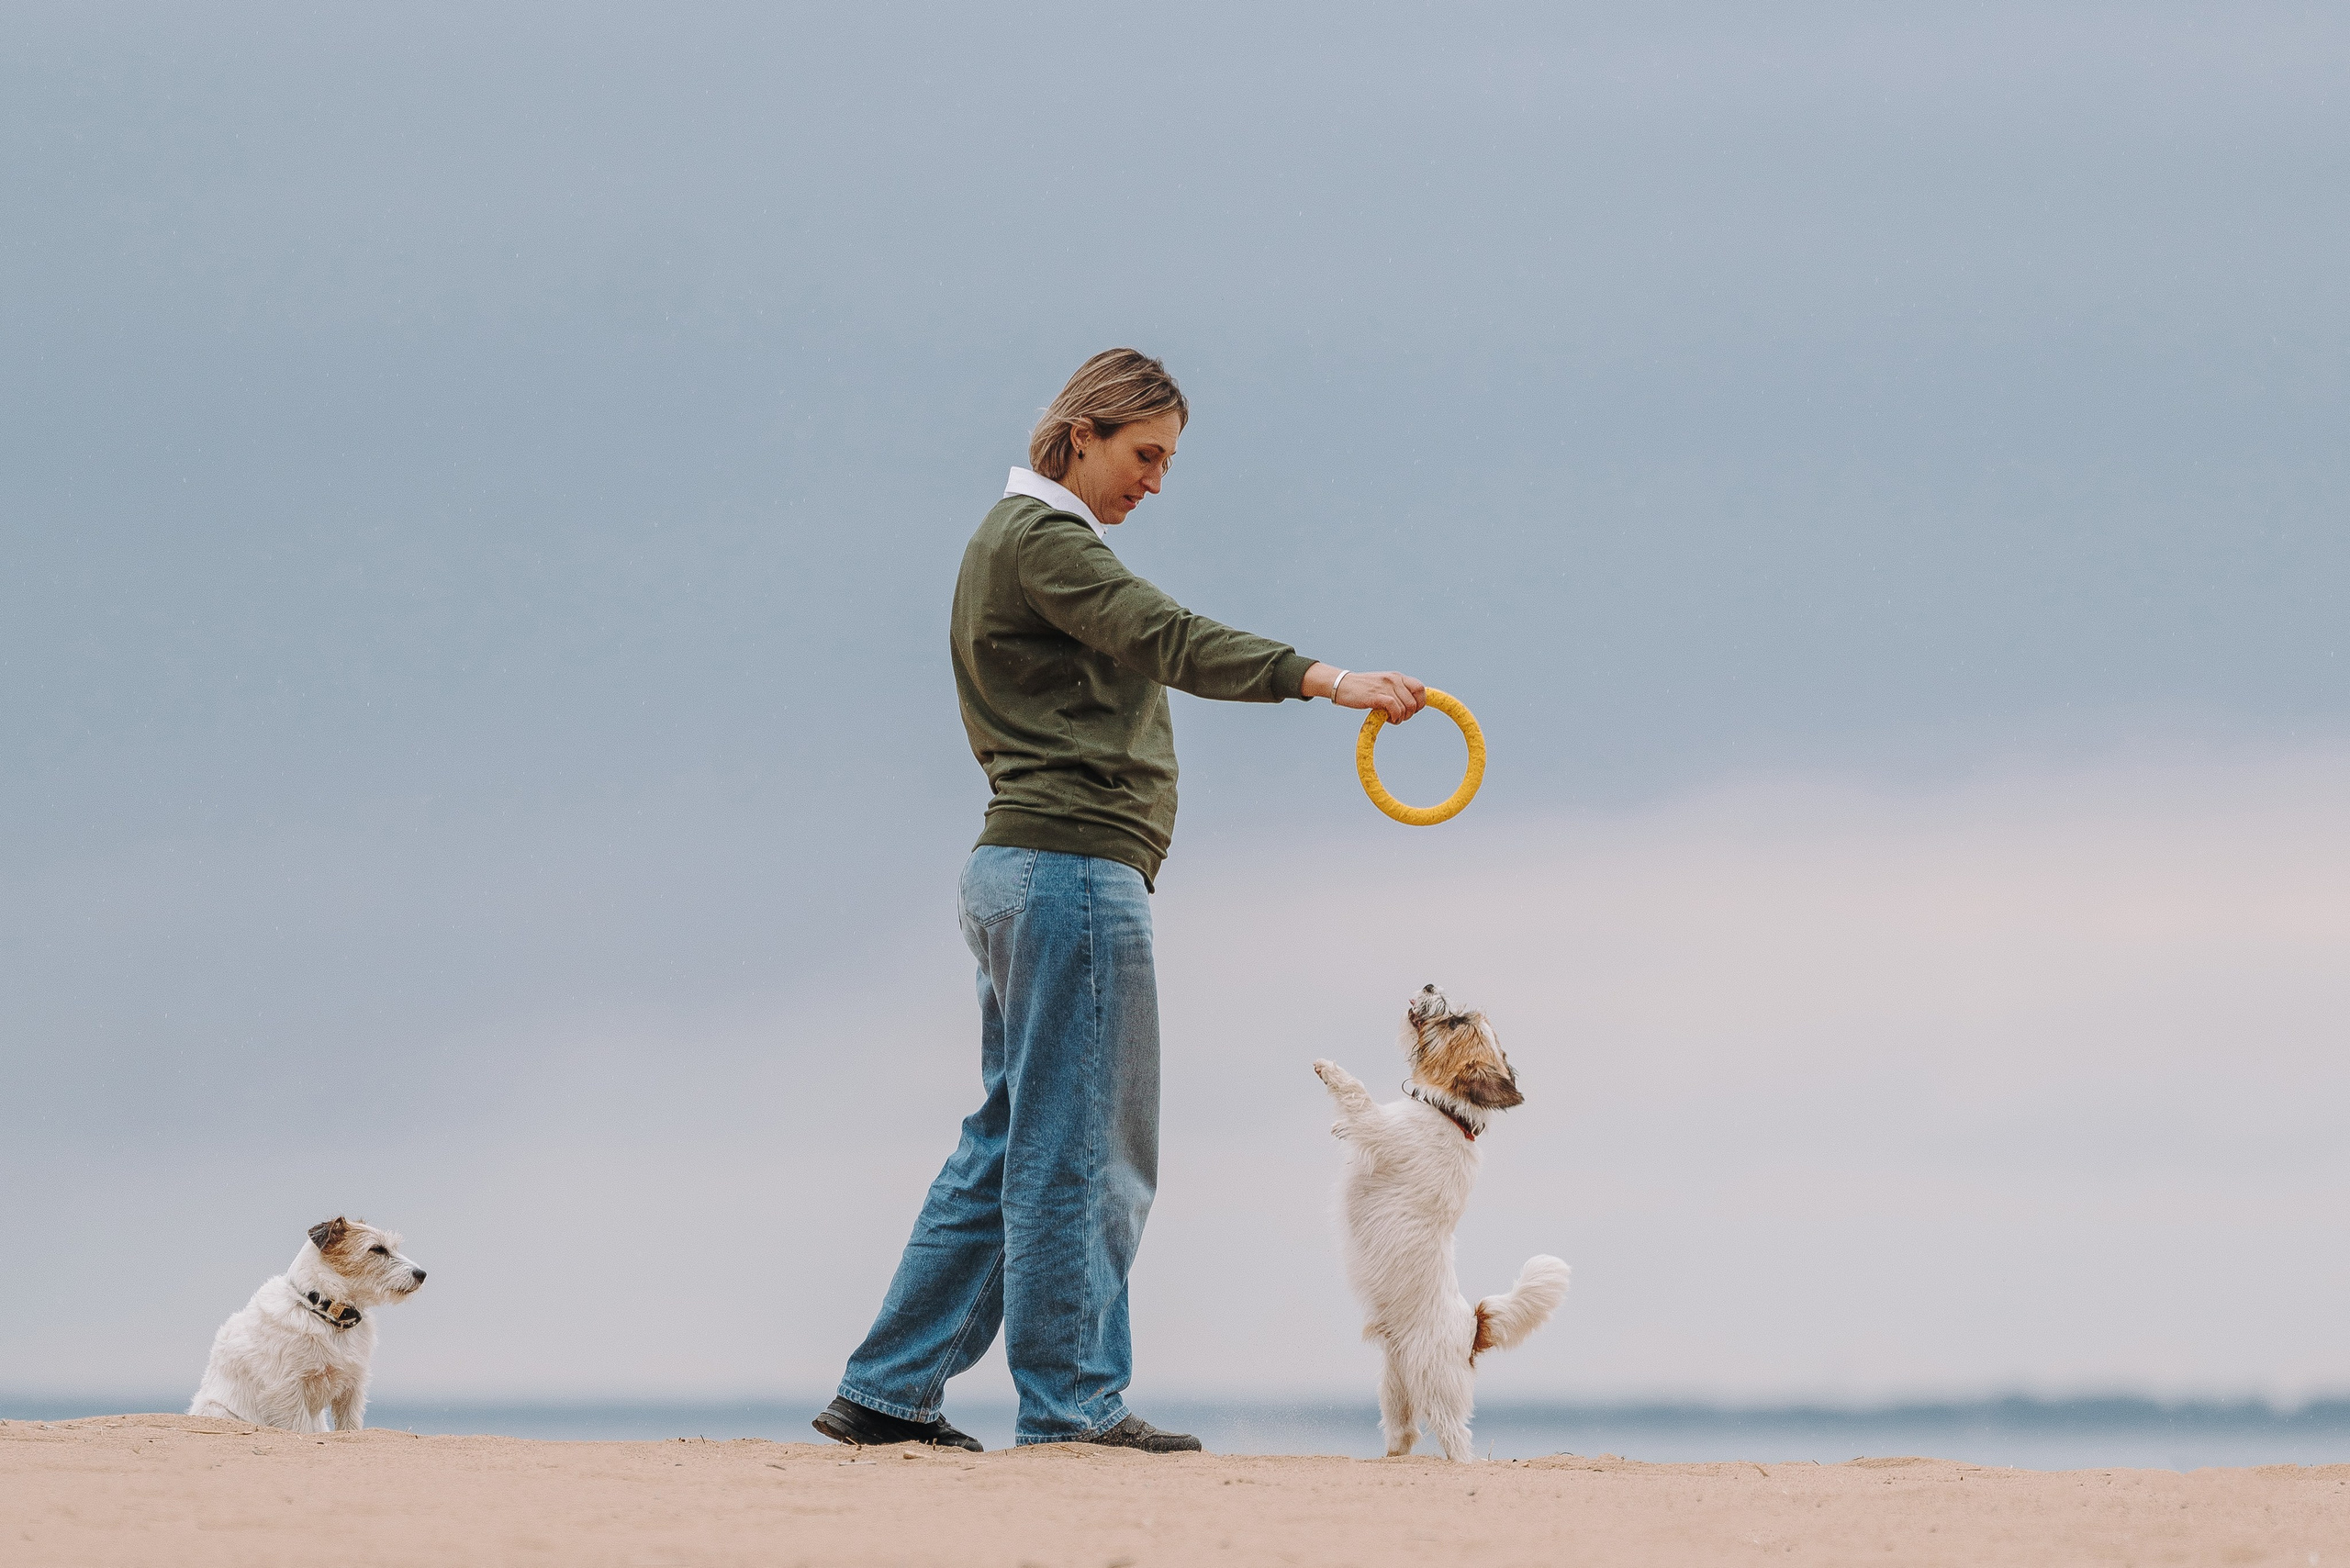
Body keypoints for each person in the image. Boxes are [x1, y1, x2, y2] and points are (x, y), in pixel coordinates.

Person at [813, 349, 1427, 1453]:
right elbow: (1171, 638)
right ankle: (1073, 1402)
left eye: (1166, 462)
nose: (1155, 481)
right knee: (1087, 1148)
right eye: (1145, 455)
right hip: (1070, 872)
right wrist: (1332, 679)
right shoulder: (1041, 542)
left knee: (1011, 1142)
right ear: (1082, 433)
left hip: (1025, 870)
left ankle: (888, 1389)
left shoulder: (1014, 544)